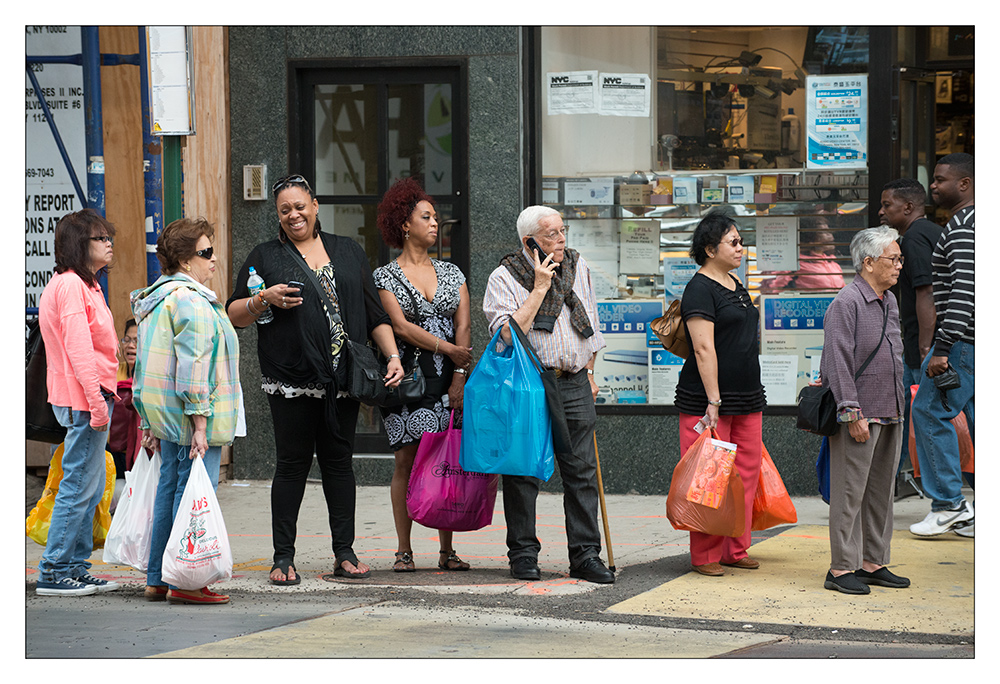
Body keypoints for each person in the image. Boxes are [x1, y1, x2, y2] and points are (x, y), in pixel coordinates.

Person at [226, 174, 403, 585]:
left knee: (339, 464)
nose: (293, 215)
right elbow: (234, 315)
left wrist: (392, 355)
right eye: (284, 209)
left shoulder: (348, 251)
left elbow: (374, 314)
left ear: (315, 205)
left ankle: (345, 552)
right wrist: (261, 298)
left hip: (343, 379)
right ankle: (282, 558)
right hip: (290, 378)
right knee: (292, 464)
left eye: (299, 206)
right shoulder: (265, 256)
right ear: (277, 215)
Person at [482, 205, 614, 584]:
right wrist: (539, 287)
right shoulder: (504, 277)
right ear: (530, 242)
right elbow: (507, 336)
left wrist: (590, 371)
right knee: (523, 471)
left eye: (562, 231)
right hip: (528, 383)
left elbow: (591, 322)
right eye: (551, 234)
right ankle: (523, 554)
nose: (561, 240)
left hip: (572, 380)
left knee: (582, 471)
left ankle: (586, 554)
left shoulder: (577, 266)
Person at [132, 217, 241, 605]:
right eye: (206, 252)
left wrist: (147, 420)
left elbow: (145, 366)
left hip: (165, 416)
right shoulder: (192, 300)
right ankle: (187, 578)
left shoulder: (160, 298)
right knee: (192, 493)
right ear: (184, 259)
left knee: (171, 489)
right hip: (192, 416)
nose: (213, 260)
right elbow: (194, 365)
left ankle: (159, 577)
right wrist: (200, 422)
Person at [373, 178, 474, 573]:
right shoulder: (385, 276)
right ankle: (404, 549)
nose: (435, 223)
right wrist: (448, 348)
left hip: (450, 380)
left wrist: (460, 374)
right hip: (408, 378)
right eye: (426, 217)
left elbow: (464, 328)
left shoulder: (453, 273)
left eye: (435, 217)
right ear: (404, 224)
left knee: (445, 460)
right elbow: (398, 326)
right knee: (406, 461)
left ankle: (447, 550)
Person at [34, 209, 122, 597]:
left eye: (108, 237)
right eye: (101, 238)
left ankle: (74, 565)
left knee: (88, 485)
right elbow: (80, 352)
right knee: (77, 485)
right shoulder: (70, 286)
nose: (109, 244)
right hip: (85, 399)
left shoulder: (86, 285)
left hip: (88, 397)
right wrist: (97, 404)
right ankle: (54, 570)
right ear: (78, 245)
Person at [675, 210, 766, 577]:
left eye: (741, 241)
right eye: (734, 242)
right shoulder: (699, 288)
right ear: (710, 249)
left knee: (745, 474)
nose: (741, 248)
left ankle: (735, 547)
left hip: (746, 396)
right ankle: (706, 555)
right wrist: (713, 400)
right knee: (709, 479)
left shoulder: (734, 282)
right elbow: (703, 349)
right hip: (707, 400)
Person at [820, 226, 909, 595]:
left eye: (900, 259)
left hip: (891, 409)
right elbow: (837, 362)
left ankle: (873, 561)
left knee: (881, 493)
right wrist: (851, 412)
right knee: (849, 493)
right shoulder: (847, 302)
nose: (899, 265)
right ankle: (841, 568)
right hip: (860, 414)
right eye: (893, 259)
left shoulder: (888, 300)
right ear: (869, 262)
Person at [909, 153, 975, 538]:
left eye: (940, 180)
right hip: (973, 340)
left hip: (962, 341)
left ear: (964, 184)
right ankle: (967, 513)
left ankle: (948, 504)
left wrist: (944, 346)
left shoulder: (965, 226)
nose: (933, 187)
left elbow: (964, 293)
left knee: (929, 413)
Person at [878, 178, 943, 486]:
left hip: (924, 346)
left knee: (922, 418)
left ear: (908, 207)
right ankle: (890, 481)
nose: (881, 212)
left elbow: (925, 291)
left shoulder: (914, 238)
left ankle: (944, 495)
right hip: (929, 344)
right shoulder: (933, 232)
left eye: (887, 205)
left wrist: (924, 346)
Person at [760, 217, 845, 291]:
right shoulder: (794, 264)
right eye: (823, 232)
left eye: (829, 232)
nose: (830, 236)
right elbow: (775, 291)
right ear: (810, 239)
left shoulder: (833, 264)